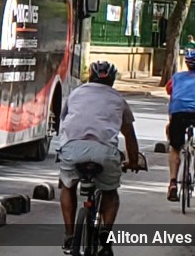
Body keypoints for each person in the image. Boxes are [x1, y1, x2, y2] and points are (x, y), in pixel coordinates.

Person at [57, 61, 140, 256]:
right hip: (105, 153)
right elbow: (129, 135)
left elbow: (64, 122)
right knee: (110, 192)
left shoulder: (75, 94)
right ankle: (105, 234)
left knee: (67, 186)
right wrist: (133, 161)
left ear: (89, 77)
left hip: (72, 149)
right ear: (112, 81)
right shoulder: (119, 100)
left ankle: (70, 235)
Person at [165, 49, 195, 201]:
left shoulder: (177, 77)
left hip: (178, 113)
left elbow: (169, 91)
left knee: (175, 147)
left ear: (187, 64)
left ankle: (172, 183)